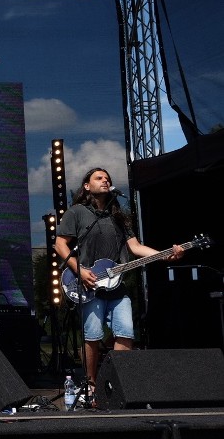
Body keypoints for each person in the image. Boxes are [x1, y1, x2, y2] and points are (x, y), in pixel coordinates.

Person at [54, 167, 184, 391]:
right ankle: (91, 385)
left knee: (125, 333)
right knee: (92, 336)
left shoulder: (118, 216)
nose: (105, 180)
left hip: (116, 286)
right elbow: (60, 244)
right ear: (87, 186)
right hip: (89, 283)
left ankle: (114, 384)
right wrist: (80, 271)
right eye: (99, 178)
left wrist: (165, 255)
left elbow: (136, 247)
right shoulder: (77, 212)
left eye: (107, 178)